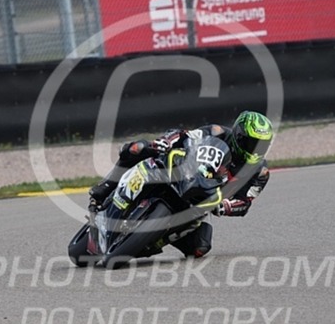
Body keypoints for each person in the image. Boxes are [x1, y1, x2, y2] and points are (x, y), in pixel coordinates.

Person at [89, 110, 274, 258]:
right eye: (253, 143)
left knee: (200, 247)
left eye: (262, 145)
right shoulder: (217, 131)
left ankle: (149, 242)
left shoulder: (260, 172)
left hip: (202, 201)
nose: (257, 149)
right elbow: (186, 135)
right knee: (138, 148)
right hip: (182, 171)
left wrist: (226, 206)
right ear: (239, 136)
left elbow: (245, 202)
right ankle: (105, 187)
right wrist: (166, 141)